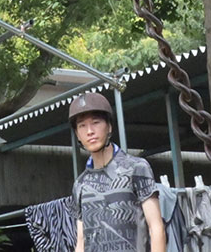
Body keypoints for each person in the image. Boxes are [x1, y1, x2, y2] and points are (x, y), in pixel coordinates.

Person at [69, 91, 167, 252]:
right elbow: (81, 241)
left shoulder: (136, 168)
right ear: (77, 134)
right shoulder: (80, 184)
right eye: (82, 126)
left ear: (109, 126)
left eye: (95, 122)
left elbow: (156, 228)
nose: (90, 131)